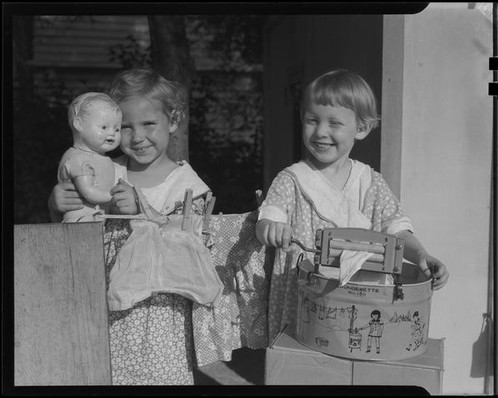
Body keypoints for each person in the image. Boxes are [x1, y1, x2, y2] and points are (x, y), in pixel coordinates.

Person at [255, 69, 450, 342]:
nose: (321, 131)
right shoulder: (291, 180)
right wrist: (272, 229)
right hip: (306, 300)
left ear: (361, 128)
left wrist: (421, 255)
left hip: (362, 299)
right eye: (312, 120)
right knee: (302, 371)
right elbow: (267, 220)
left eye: (334, 123)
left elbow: (397, 233)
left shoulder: (371, 182)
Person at [49, 68, 211, 385]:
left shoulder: (187, 187)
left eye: (149, 124)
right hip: (101, 311)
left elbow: (192, 251)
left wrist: (143, 211)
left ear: (174, 120)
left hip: (161, 324)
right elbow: (72, 235)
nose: (136, 137)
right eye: (124, 127)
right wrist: (58, 205)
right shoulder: (105, 171)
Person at [56, 92, 122, 222]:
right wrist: (115, 197)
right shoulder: (79, 159)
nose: (112, 133)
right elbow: (89, 193)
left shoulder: (101, 158)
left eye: (117, 129)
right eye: (104, 127)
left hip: (97, 220)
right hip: (80, 221)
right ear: (79, 124)